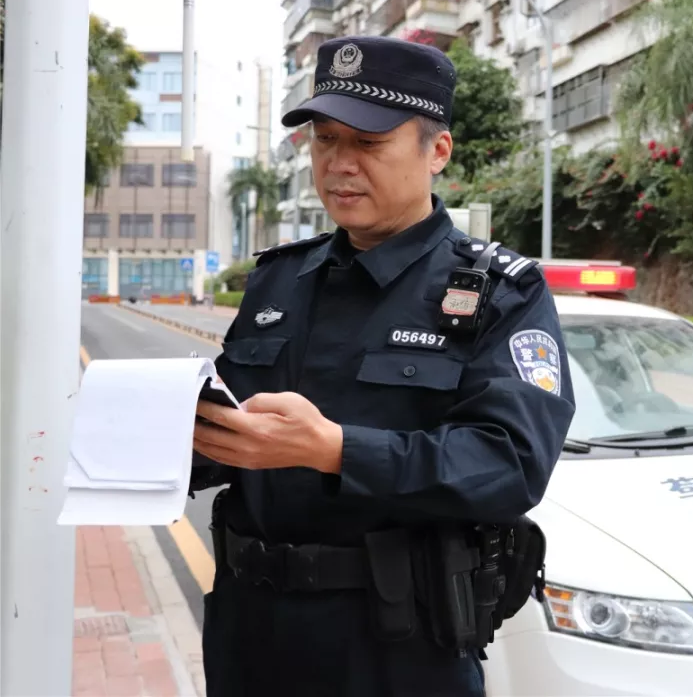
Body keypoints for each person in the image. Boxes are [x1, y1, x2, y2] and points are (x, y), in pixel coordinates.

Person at [189, 35, 576, 696]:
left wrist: (336, 450)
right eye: (326, 140)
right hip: (250, 635)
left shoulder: (501, 292)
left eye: (369, 143)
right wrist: (176, 436)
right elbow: (233, 431)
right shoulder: (280, 280)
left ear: (438, 151)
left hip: (397, 648)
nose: (339, 164)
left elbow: (509, 463)